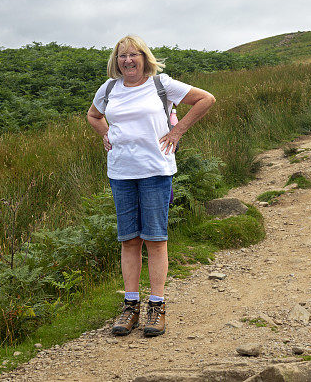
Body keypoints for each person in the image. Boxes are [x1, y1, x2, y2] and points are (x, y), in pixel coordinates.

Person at [86, 35, 215, 337]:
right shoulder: (109, 89)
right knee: (129, 240)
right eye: (122, 56)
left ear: (145, 57)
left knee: (155, 239)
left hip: (156, 171)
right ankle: (130, 307)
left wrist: (178, 131)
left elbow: (205, 99)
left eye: (133, 55)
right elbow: (93, 116)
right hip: (121, 173)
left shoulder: (161, 84)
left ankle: (156, 307)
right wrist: (105, 133)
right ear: (115, 61)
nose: (128, 60)